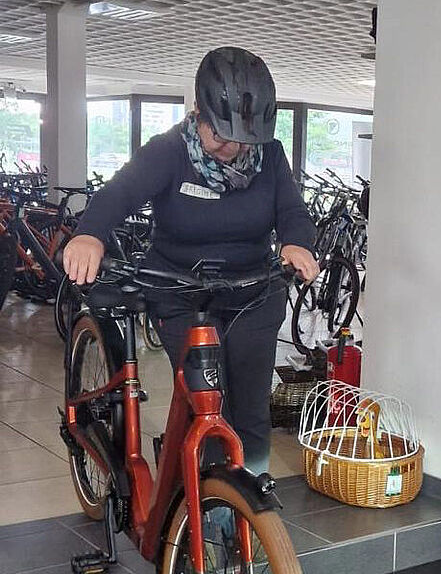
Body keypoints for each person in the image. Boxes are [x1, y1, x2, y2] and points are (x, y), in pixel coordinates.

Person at [63, 46, 319, 476]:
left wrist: (296, 243)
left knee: (251, 409)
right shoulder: (168, 151)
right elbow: (119, 194)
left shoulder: (271, 156)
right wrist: (90, 234)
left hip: (253, 292)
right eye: (220, 135)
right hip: (180, 292)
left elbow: (293, 211)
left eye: (244, 138)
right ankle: (208, 498)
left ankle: (250, 497)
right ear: (198, 112)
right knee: (207, 402)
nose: (232, 148)